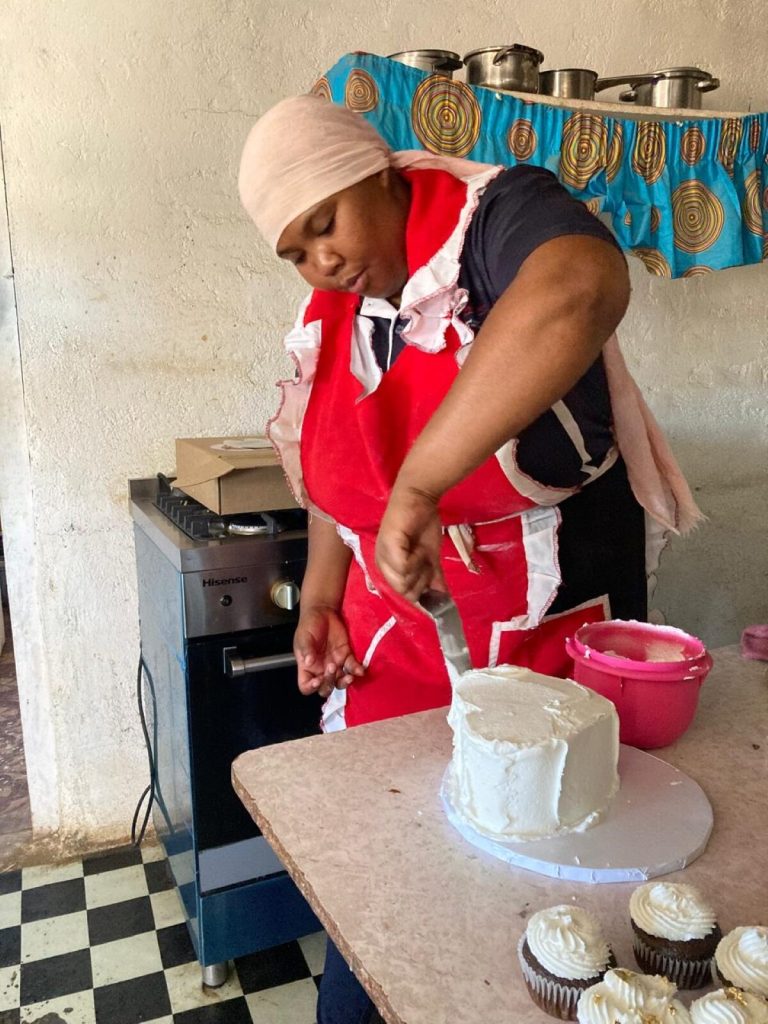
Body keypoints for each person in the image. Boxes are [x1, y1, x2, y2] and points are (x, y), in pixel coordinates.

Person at [238, 94, 701, 1024]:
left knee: (541, 912)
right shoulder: (337, 306)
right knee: (387, 902)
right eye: (294, 251)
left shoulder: (496, 219)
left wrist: (421, 483)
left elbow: (579, 287)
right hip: (395, 649)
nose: (321, 261)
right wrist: (322, 595)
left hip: (543, 648)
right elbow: (336, 472)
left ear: (381, 174)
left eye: (325, 224)